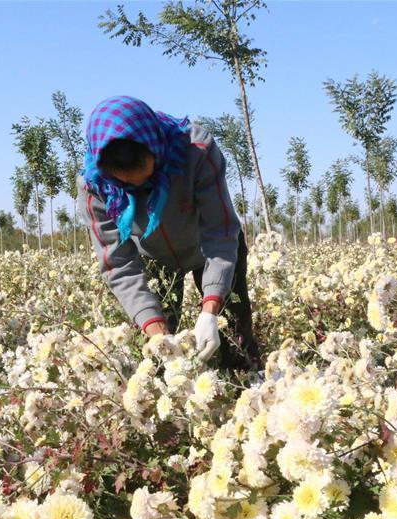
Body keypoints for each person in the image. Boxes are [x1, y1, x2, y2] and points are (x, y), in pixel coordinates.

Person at [78, 96, 261, 370]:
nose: (140, 192)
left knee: (233, 336)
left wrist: (210, 310)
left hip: (210, 248)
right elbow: (118, 264)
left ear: (156, 149)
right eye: (128, 187)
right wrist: (156, 331)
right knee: (160, 357)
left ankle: (246, 384)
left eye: (148, 181)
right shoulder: (96, 187)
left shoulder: (196, 151)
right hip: (154, 258)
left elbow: (220, 232)